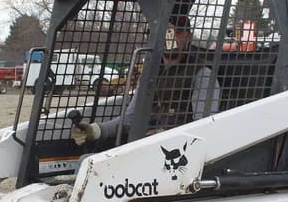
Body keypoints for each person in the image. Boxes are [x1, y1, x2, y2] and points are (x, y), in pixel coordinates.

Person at [71, 14, 221, 146]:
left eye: (178, 32)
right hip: (143, 147)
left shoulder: (202, 74)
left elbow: (203, 128)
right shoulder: (150, 74)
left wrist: (164, 135)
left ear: (189, 36)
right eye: (166, 32)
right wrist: (95, 130)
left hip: (177, 155)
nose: (171, 38)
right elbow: (131, 119)